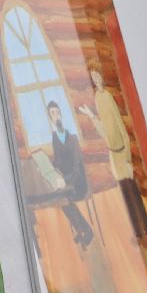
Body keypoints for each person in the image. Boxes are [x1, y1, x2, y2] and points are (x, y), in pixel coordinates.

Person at [78, 68, 147, 248]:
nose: (96, 79)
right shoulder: (97, 99)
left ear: (101, 77)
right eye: (93, 77)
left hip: (121, 151)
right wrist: (91, 116)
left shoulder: (108, 97)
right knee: (126, 194)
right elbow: (105, 131)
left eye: (97, 75)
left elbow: (119, 125)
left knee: (134, 192)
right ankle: (137, 233)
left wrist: (126, 153)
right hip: (113, 153)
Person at [46, 101, 94, 248]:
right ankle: (83, 230)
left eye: (57, 112)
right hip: (68, 181)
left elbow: (77, 165)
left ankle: (86, 231)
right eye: (53, 114)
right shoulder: (54, 138)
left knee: (64, 198)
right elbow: (59, 162)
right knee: (61, 198)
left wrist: (68, 181)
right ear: (51, 119)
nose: (56, 115)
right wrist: (50, 168)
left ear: (61, 115)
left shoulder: (71, 137)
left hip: (79, 182)